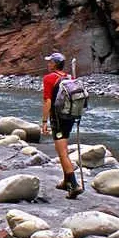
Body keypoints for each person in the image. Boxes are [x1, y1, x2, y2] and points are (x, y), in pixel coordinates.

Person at [40, 52, 83, 197]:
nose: (48, 64)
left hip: (58, 118)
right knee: (63, 146)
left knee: (62, 152)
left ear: (54, 63)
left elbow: (47, 101)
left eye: (50, 61)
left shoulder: (49, 78)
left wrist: (44, 122)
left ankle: (73, 185)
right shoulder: (69, 77)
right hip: (70, 116)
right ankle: (66, 181)